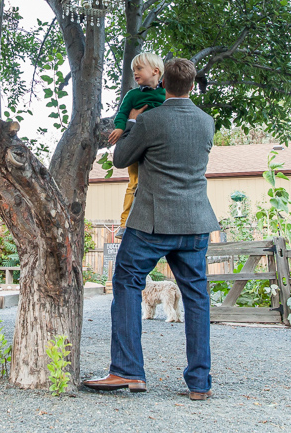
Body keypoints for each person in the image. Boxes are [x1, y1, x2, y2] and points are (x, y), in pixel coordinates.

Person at [83, 58, 220, 401]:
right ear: (189, 85)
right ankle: (199, 383)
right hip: (195, 222)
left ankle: (127, 371)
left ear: (164, 83)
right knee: (197, 296)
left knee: (127, 281)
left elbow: (120, 158)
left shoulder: (149, 119)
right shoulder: (206, 122)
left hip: (152, 222)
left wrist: (131, 122)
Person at [107, 52, 166, 239]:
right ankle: (125, 223)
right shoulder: (132, 95)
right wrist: (119, 128)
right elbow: (122, 114)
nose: (135, 73)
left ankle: (156, 222)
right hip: (136, 145)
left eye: (139, 69)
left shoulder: (165, 94)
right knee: (134, 182)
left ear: (155, 71)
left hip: (156, 147)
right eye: (133, 70)